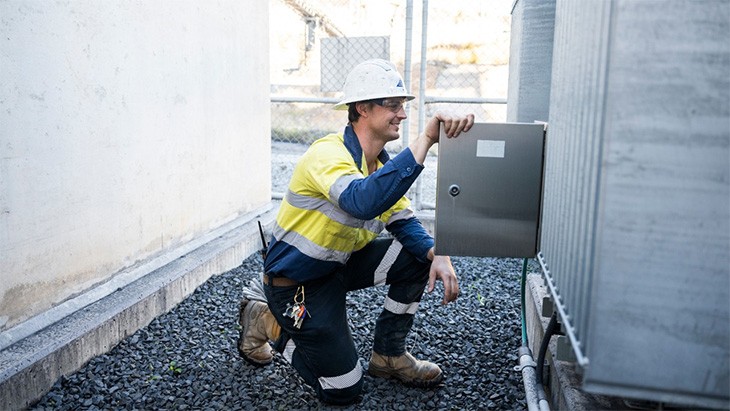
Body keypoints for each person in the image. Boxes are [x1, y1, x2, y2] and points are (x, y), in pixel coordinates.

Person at [238, 58, 474, 405]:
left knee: (418, 257)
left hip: (338, 269)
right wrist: (426, 140)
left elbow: (405, 223)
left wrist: (439, 253)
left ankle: (389, 357)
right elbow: (360, 200)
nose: (402, 114)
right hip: (297, 287)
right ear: (362, 108)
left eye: (403, 106)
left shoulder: (378, 165)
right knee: (343, 389)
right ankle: (268, 322)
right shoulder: (327, 154)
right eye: (392, 106)